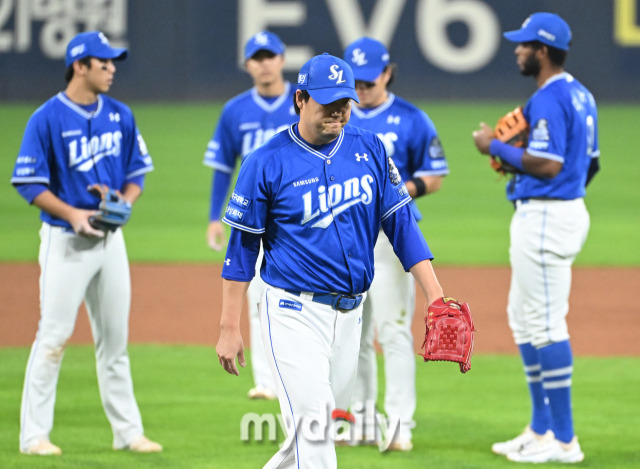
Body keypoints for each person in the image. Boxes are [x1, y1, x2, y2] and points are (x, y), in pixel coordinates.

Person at [215, 52, 453, 469]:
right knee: (317, 429)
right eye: (328, 103)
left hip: (350, 317)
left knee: (310, 435)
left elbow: (402, 226)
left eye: (345, 103)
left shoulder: (369, 149)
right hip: (292, 312)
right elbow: (241, 253)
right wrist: (229, 327)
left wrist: (436, 295)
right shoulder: (265, 163)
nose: (339, 112)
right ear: (301, 100)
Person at [11, 31, 162, 456]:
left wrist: (124, 201)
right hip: (66, 242)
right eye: (104, 62)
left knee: (115, 342)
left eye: (114, 62)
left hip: (111, 243)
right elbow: (28, 182)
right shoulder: (47, 118)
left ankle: (128, 432)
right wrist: (72, 213)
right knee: (54, 337)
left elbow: (137, 173)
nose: (113, 68)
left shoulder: (120, 114)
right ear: (80, 66)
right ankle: (33, 436)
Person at [472, 12, 599, 464]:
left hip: (546, 217)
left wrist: (497, 148)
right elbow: (590, 164)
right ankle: (541, 427)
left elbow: (548, 165)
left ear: (542, 51)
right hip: (559, 211)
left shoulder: (548, 99)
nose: (517, 50)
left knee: (545, 324)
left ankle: (564, 441)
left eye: (524, 44)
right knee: (523, 318)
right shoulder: (581, 94)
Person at [343, 37, 449, 451]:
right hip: (349, 239)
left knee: (392, 333)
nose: (363, 89)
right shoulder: (339, 118)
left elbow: (435, 175)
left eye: (370, 81)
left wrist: (391, 190)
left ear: (388, 73)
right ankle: (363, 420)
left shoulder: (411, 118)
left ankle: (399, 425)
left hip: (390, 239)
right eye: (357, 82)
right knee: (354, 334)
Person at [203, 31, 296, 400]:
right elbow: (223, 167)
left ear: (282, 59)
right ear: (247, 65)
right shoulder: (235, 110)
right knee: (257, 298)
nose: (264, 64)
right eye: (256, 58)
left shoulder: (303, 102)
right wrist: (214, 216)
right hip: (255, 217)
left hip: (297, 215)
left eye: (269, 56)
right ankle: (267, 382)